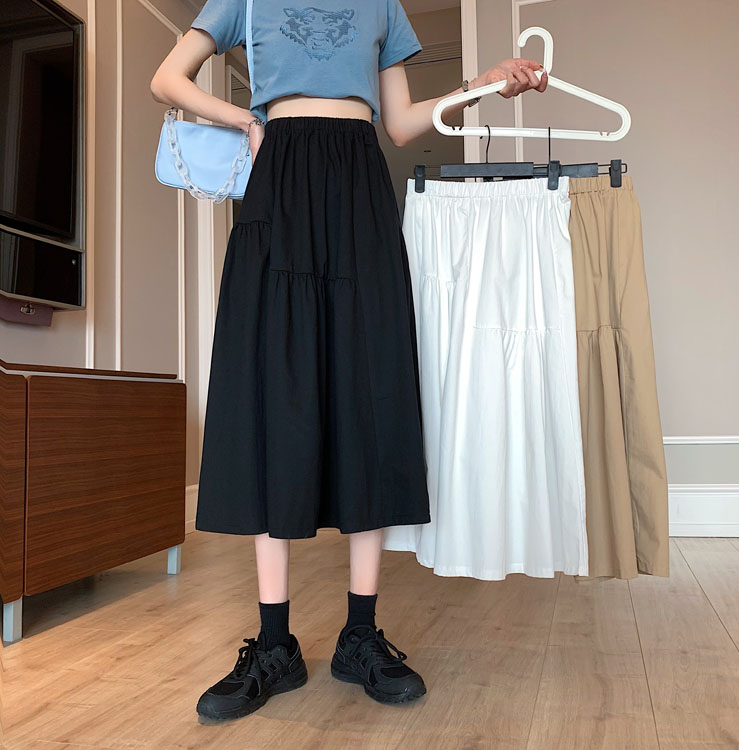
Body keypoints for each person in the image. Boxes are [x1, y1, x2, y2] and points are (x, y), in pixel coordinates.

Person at [150, 0, 548, 724]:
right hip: (279, 182)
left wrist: (484, 84)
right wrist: (247, 121)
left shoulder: (381, 5)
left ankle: (359, 635)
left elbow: (400, 123)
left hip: (360, 182)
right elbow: (167, 79)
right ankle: (275, 644)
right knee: (275, 389)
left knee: (370, 384)